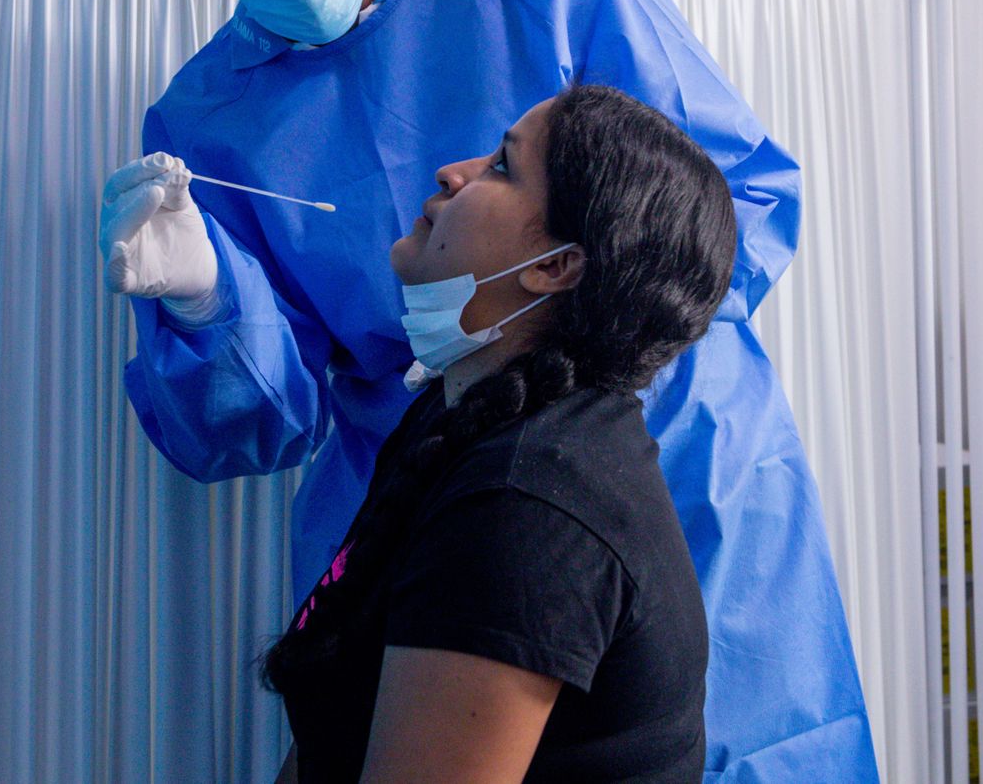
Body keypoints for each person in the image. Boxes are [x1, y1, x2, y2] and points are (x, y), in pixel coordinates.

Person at [100, 0, 878, 778]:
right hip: (430, 473)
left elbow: (722, 210)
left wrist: (572, 356)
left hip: (662, 433)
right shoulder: (208, 116)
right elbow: (259, 414)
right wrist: (207, 304)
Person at [264, 84, 725, 783]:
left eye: (502, 167)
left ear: (553, 265)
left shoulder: (529, 507)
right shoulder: (460, 422)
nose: (453, 172)